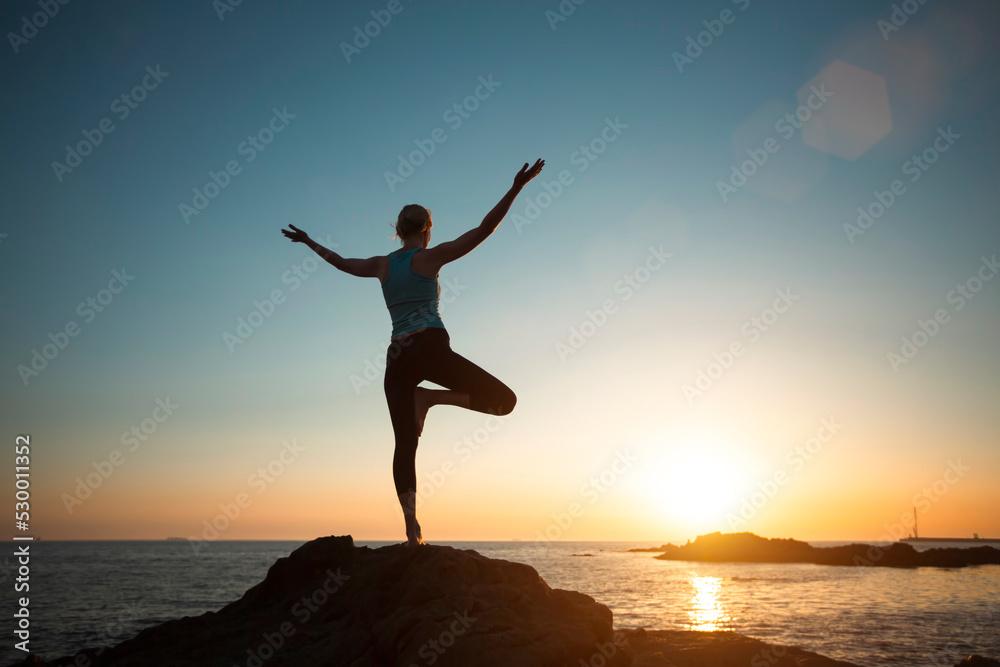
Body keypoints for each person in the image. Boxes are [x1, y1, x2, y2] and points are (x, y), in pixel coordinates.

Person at [281, 159, 545, 547]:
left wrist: (308, 241)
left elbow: (339, 262)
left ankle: (411, 529)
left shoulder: (381, 266)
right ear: (427, 229)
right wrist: (516, 187)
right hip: (431, 347)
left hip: (397, 358)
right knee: (504, 402)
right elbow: (484, 229)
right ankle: (433, 398)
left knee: (405, 444)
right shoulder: (431, 257)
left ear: (398, 231)